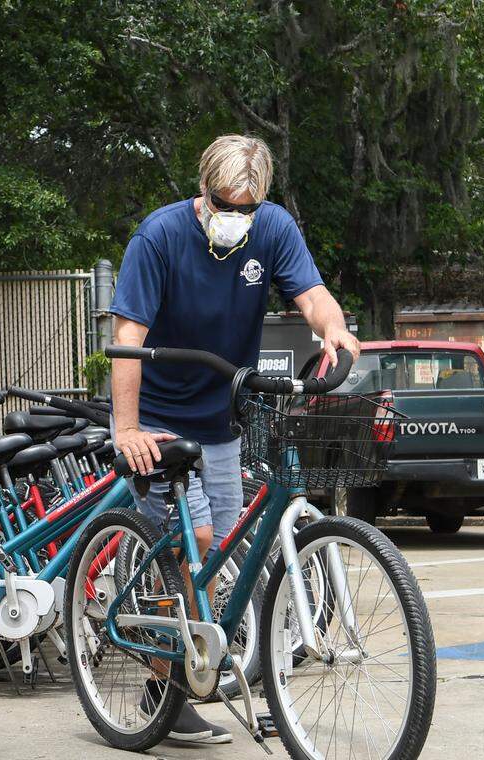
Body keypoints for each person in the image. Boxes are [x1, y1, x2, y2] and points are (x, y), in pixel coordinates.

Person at [110, 134, 360, 744]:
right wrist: (127, 428)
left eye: (246, 208)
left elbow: (313, 296)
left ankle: (216, 674)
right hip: (161, 419)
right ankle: (161, 691)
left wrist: (337, 332)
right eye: (225, 205)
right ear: (204, 192)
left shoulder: (272, 229)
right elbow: (126, 337)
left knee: (221, 558)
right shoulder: (161, 236)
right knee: (188, 543)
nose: (236, 218)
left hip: (221, 420)